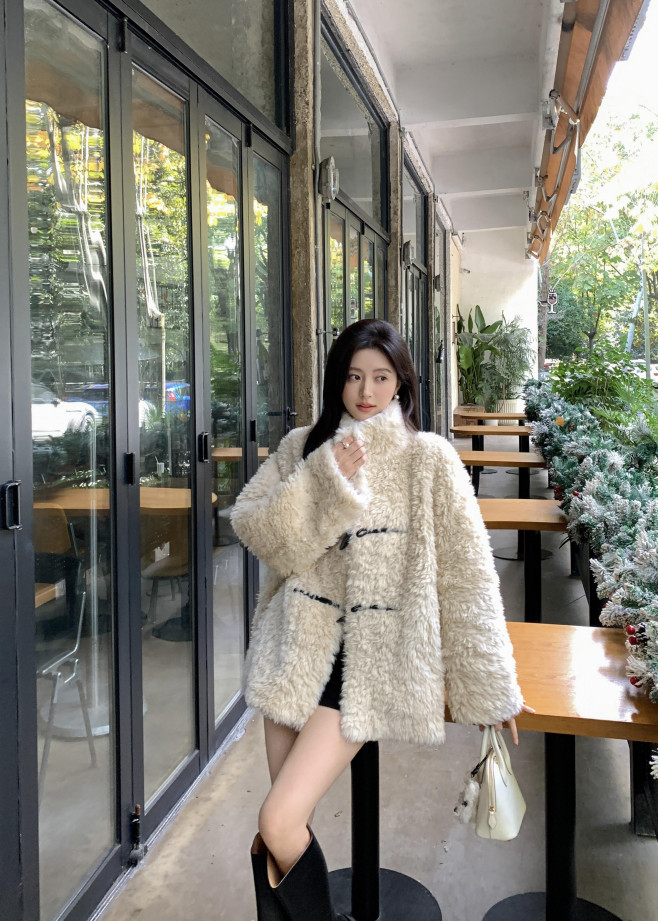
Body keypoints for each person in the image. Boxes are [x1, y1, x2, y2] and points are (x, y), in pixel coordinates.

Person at [231, 319, 531, 921]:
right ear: (336, 382)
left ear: (401, 384)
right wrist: (323, 479)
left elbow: (467, 577)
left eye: (381, 377)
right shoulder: (303, 448)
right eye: (353, 377)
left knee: (279, 819)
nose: (366, 391)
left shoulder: (428, 458)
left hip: (367, 663)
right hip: (295, 650)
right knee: (279, 832)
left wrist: (488, 684)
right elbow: (257, 530)